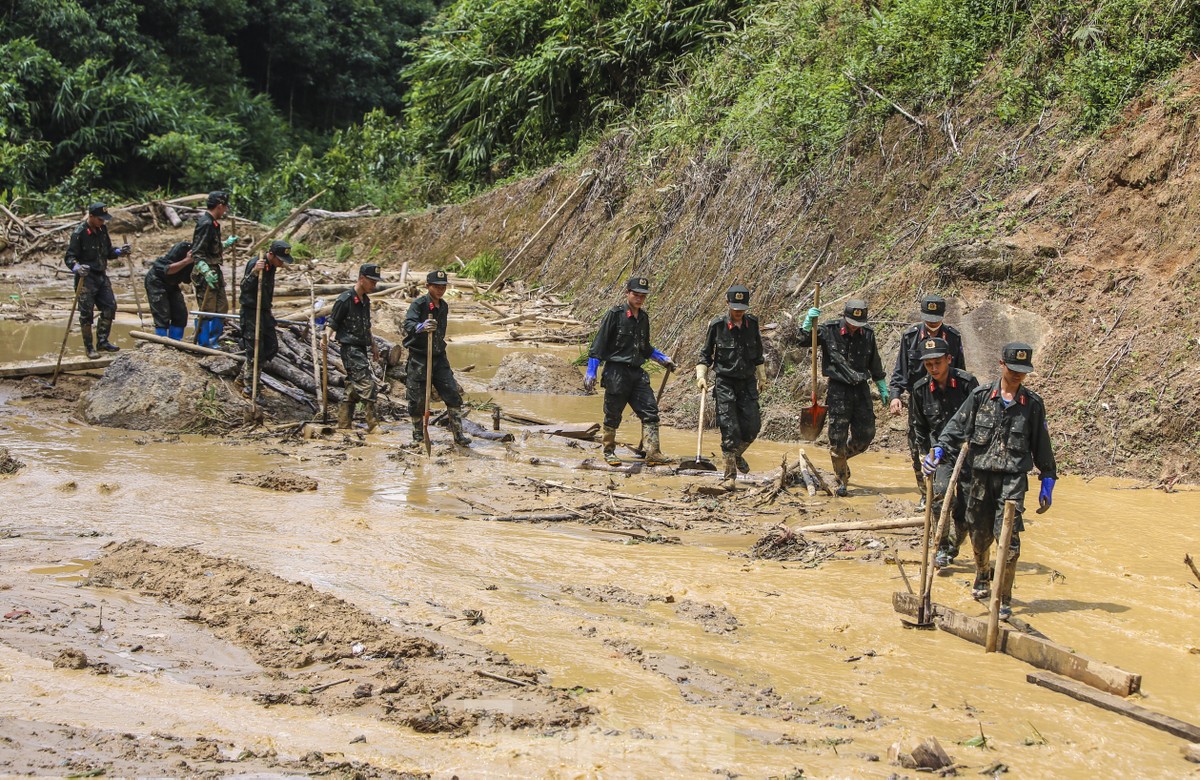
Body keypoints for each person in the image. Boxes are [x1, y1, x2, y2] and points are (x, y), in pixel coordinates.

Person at [926, 342, 1056, 621]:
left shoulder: (1032, 405)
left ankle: (1003, 596)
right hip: (980, 478)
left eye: (1023, 371)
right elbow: (954, 429)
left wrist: (1048, 479)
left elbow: (1042, 446)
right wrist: (938, 450)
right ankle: (983, 573)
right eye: (1013, 370)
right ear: (1001, 365)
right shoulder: (981, 396)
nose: (1018, 376)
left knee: (1009, 542)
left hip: (1013, 482)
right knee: (979, 535)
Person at [798, 298, 887, 496]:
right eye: (852, 324)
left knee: (866, 435)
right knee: (837, 437)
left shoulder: (868, 335)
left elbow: (874, 361)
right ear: (845, 318)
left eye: (859, 324)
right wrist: (807, 324)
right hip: (838, 390)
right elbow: (803, 340)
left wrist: (881, 385)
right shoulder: (829, 330)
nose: (855, 328)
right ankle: (841, 478)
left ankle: (841, 458)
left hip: (861, 389)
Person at [585, 276, 677, 466]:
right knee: (613, 413)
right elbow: (598, 345)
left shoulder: (643, 318)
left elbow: (645, 347)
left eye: (643, 296)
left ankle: (653, 452)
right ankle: (609, 451)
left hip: (637, 373)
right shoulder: (615, 315)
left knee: (650, 411)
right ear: (627, 293)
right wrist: (591, 371)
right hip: (616, 373)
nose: (639, 298)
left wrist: (663, 359)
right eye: (636, 294)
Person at [888, 294, 967, 501]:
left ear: (943, 316)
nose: (932, 322)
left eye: (936, 317)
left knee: (950, 443)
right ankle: (926, 494)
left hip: (947, 400)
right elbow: (901, 371)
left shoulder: (953, 338)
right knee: (918, 447)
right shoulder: (910, 337)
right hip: (919, 403)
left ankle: (951, 492)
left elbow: (960, 371)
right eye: (928, 317)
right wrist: (895, 395)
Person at [909, 336, 978, 568]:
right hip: (941, 453)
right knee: (939, 494)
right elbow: (918, 426)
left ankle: (954, 545)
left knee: (968, 507)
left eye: (938, 362)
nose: (934, 368)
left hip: (968, 452)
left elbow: (979, 418)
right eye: (929, 365)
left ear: (949, 359)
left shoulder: (968, 384)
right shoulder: (920, 390)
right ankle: (941, 547)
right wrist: (922, 455)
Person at [697, 284, 766, 488]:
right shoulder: (717, 325)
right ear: (727, 304)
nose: (738, 312)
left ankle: (735, 455)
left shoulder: (752, 324)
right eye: (735, 307)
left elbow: (758, 355)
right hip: (725, 382)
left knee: (753, 427)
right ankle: (729, 477)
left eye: (742, 308)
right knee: (730, 429)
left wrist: (762, 377)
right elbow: (705, 355)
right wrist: (702, 376)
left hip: (747, 382)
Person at [403, 269, 471, 446]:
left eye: (443, 287)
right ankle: (418, 436)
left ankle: (459, 435)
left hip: (439, 356)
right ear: (428, 286)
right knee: (417, 399)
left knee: (452, 394)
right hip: (420, 357)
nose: (440, 290)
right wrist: (421, 326)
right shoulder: (419, 304)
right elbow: (408, 324)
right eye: (437, 286)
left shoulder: (444, 306)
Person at [64, 203, 130, 358]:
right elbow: (69, 258)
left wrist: (120, 251)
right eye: (100, 219)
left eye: (104, 219)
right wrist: (77, 268)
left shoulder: (102, 230)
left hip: (101, 276)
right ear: (91, 217)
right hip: (86, 279)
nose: (103, 222)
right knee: (86, 314)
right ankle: (89, 348)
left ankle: (102, 341)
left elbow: (108, 251)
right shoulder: (79, 233)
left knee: (110, 306)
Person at [329, 263, 384, 431]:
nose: (374, 286)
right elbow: (333, 322)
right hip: (350, 348)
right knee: (368, 385)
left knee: (353, 388)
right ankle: (372, 425)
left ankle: (344, 424)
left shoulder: (365, 301)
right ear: (361, 279)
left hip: (361, 347)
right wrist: (326, 338)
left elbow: (366, 326)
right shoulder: (345, 299)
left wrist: (373, 345)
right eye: (371, 282)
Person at [238, 241, 294, 396]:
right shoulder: (256, 264)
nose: (282, 264)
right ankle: (250, 387)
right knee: (255, 350)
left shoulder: (272, 267)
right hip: (251, 312)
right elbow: (243, 287)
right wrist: (255, 272)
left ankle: (243, 377)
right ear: (271, 255)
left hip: (264, 311)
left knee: (271, 346)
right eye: (280, 260)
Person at [191, 190, 231, 348]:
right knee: (207, 308)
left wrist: (225, 244)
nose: (226, 211)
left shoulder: (214, 223)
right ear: (220, 206)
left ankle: (214, 340)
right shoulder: (205, 223)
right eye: (225, 207)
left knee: (221, 307)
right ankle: (204, 342)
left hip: (215, 270)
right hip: (205, 272)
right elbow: (197, 252)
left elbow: (212, 247)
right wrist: (206, 271)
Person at [143, 241, 194, 340]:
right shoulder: (183, 248)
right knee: (162, 314)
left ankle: (175, 341)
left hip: (173, 283)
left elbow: (188, 279)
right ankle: (162, 342)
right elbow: (167, 270)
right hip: (157, 280)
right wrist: (187, 261)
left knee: (180, 314)